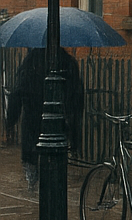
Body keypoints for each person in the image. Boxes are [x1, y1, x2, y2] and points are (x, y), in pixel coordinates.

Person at [5, 46, 84, 192]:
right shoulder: (67, 61)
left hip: (33, 117)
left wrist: (11, 120)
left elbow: (18, 90)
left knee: (32, 154)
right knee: (54, 155)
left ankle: (33, 184)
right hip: (56, 119)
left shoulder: (31, 61)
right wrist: (73, 129)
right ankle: (47, 183)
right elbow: (76, 97)